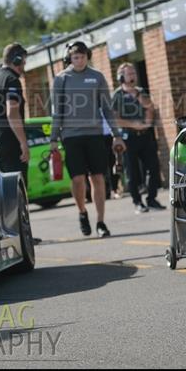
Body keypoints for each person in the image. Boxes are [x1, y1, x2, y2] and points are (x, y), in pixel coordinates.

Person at [49, 41, 126, 238]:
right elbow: (57, 111)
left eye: (83, 57)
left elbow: (107, 108)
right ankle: (82, 212)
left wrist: (117, 134)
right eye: (76, 57)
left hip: (94, 135)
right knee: (78, 179)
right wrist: (53, 139)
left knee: (98, 178)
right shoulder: (61, 79)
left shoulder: (97, 77)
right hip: (71, 136)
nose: (80, 60)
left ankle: (101, 222)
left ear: (87, 57)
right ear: (69, 58)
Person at [111, 63, 165, 213]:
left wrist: (146, 122)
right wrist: (135, 124)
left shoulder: (141, 92)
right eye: (129, 74)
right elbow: (115, 119)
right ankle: (137, 202)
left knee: (153, 168)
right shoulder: (117, 95)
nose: (133, 76)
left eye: (133, 73)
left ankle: (152, 199)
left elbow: (150, 108)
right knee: (132, 172)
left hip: (146, 136)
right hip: (129, 137)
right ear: (121, 77)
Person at [0, 43, 31, 186]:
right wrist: (23, 143)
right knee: (18, 190)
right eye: (23, 60)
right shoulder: (11, 80)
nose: (24, 64)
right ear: (16, 60)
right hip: (11, 144)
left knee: (2, 192)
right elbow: (12, 113)